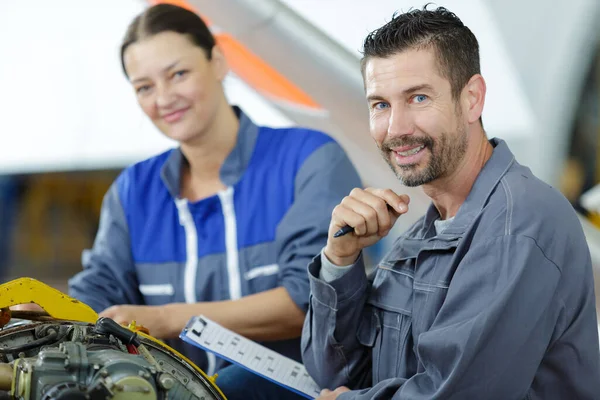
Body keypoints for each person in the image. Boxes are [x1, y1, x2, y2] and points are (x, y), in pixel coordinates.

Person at [302, 6, 600, 400]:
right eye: (381, 105)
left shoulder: (519, 226)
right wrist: (339, 261)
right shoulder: (421, 234)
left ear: (472, 99)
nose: (396, 128)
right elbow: (335, 372)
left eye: (419, 98)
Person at [67, 4, 361, 399]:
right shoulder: (133, 191)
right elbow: (96, 293)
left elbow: (308, 302)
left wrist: (166, 318)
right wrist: (41, 312)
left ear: (218, 61)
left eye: (179, 74)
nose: (164, 97)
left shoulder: (309, 160)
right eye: (144, 87)